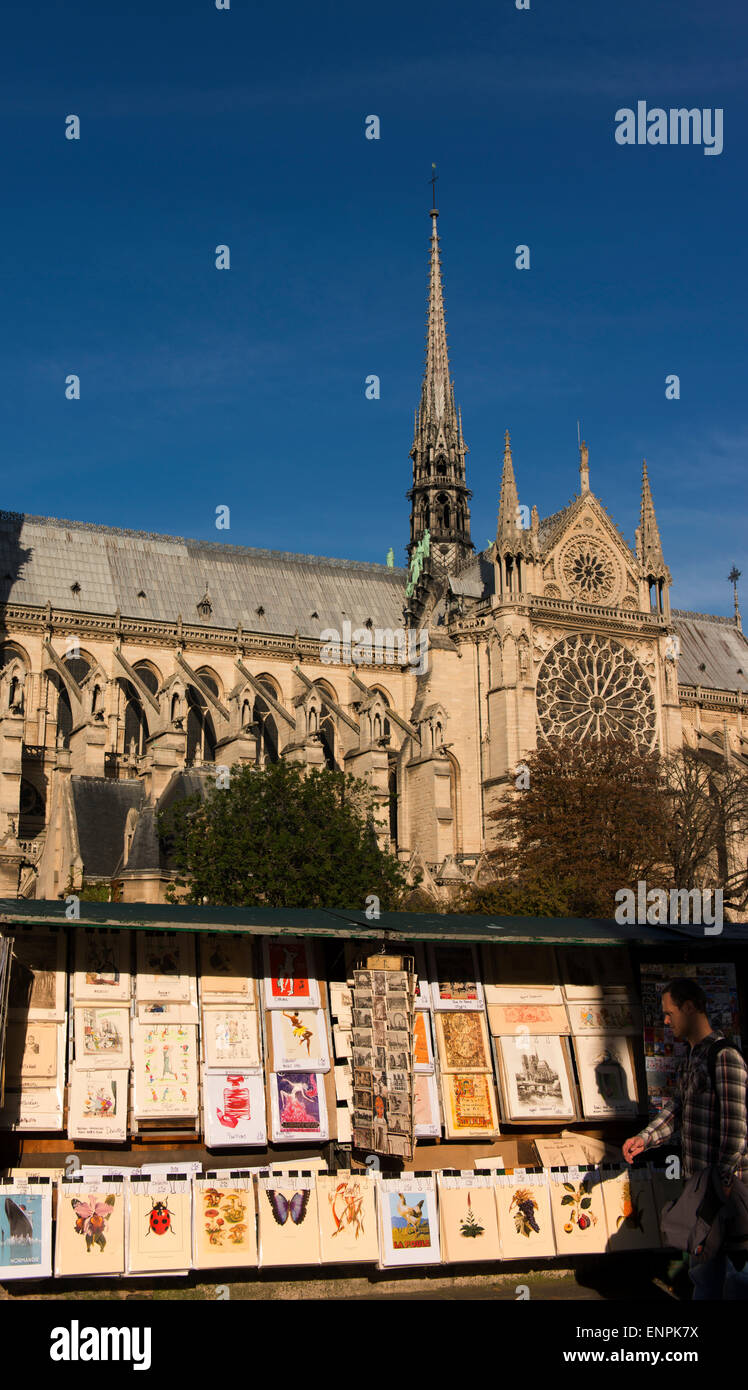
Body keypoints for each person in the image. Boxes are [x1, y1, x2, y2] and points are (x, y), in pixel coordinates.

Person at [622, 977, 748, 1300]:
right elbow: (677, 1111)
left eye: (669, 1013)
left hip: (727, 1194)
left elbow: (736, 1128)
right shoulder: (692, 1059)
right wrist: (645, 1138)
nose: (665, 1021)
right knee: (704, 1277)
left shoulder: (725, 1057)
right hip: (703, 1193)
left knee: (737, 1279)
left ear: (690, 1008)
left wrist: (722, 1182)